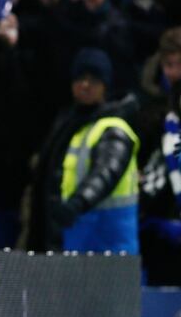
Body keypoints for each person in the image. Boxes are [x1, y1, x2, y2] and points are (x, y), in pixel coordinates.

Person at [30, 48, 140, 254]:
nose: (85, 85)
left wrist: (76, 204)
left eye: (94, 80)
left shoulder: (113, 127)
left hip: (109, 241)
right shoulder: (68, 124)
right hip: (76, 236)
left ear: (105, 85)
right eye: (80, 78)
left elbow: (105, 174)